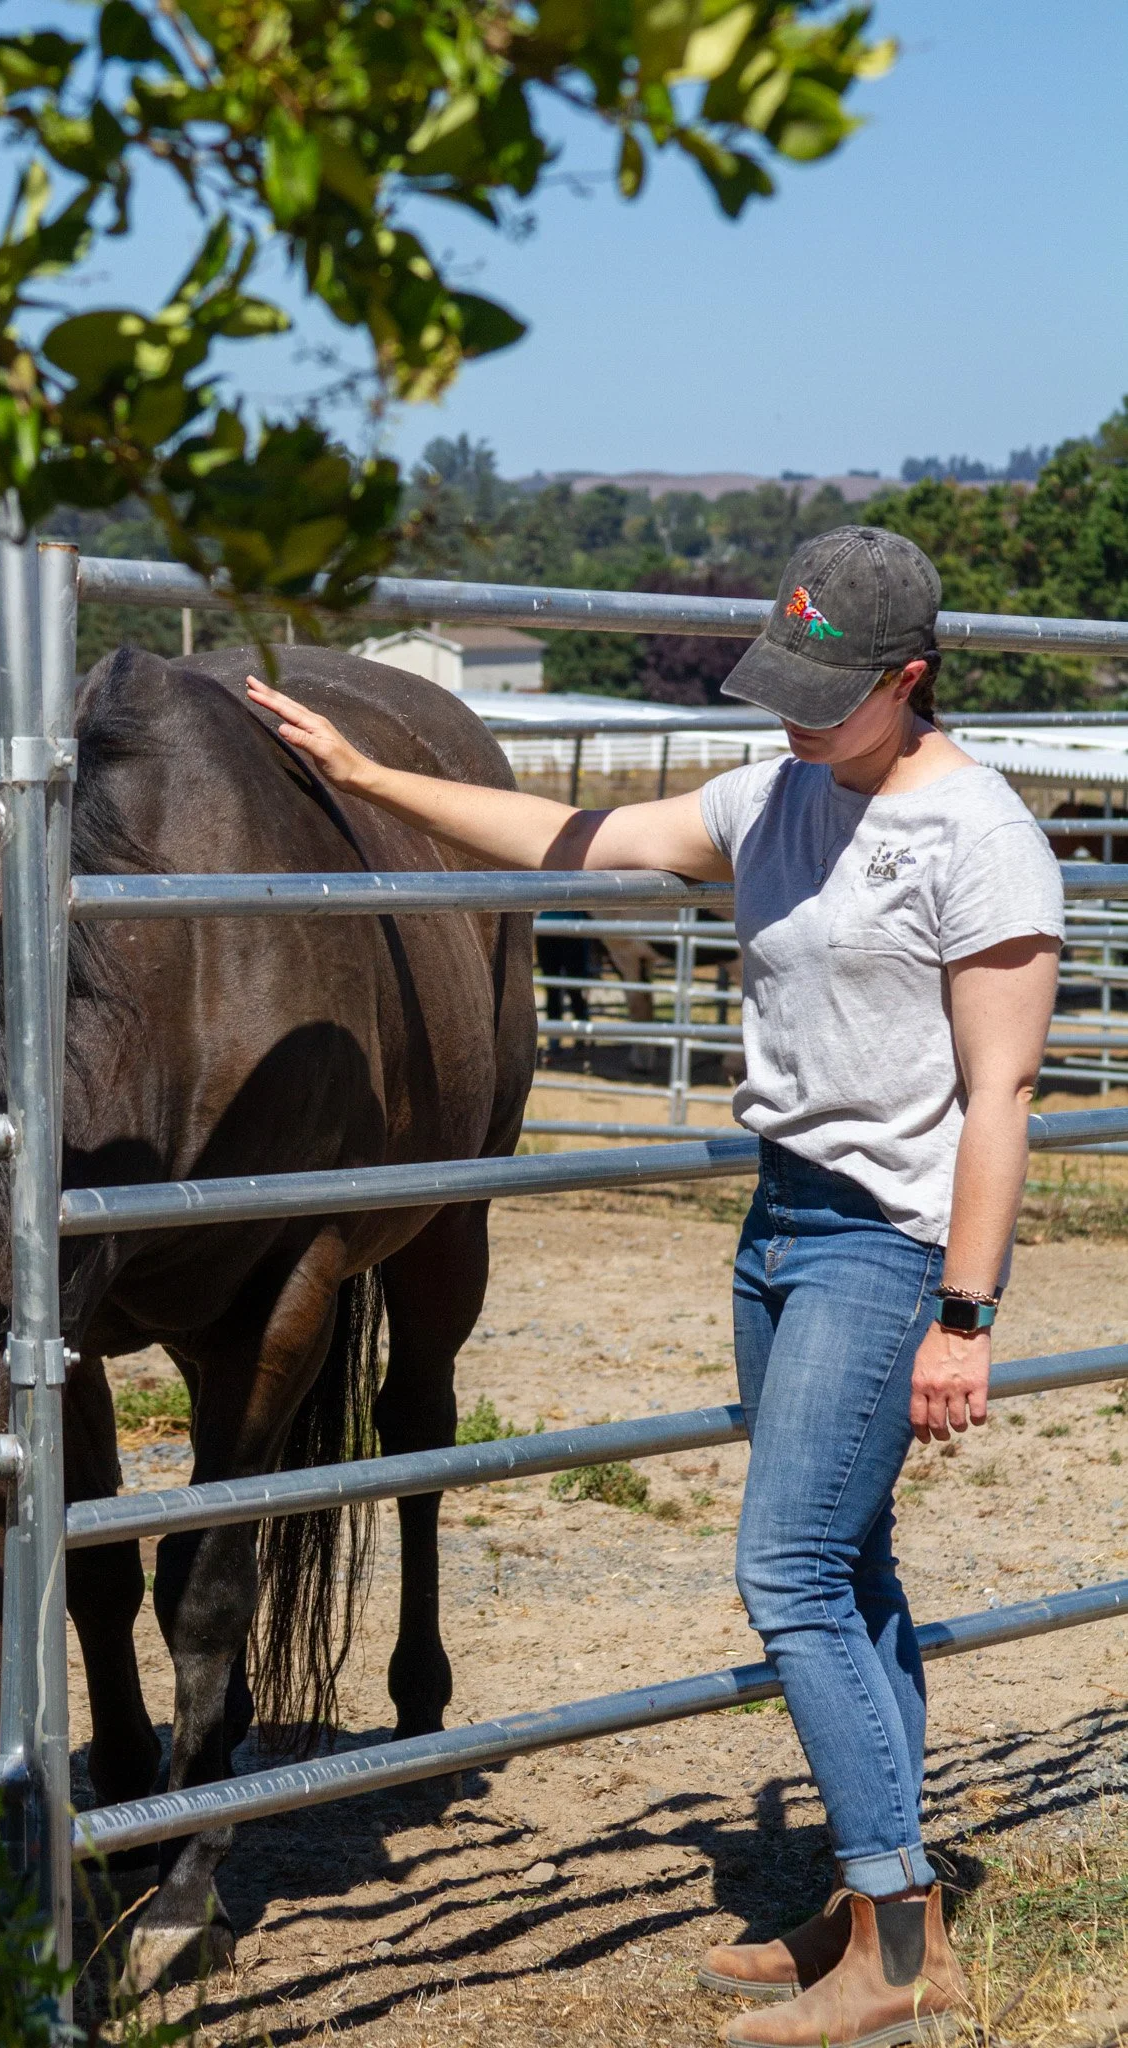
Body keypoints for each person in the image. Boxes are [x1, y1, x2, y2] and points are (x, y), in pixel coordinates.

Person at [246, 525, 1063, 2048]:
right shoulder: (770, 799)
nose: (796, 719)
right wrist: (368, 782)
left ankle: (894, 1957)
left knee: (788, 1573)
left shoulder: (980, 839)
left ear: (913, 678)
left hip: (888, 1242)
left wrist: (966, 1315)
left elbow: (1001, 1098)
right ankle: (880, 1901)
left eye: (831, 694)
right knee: (850, 1562)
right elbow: (569, 838)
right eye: (786, 686)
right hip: (780, 1230)